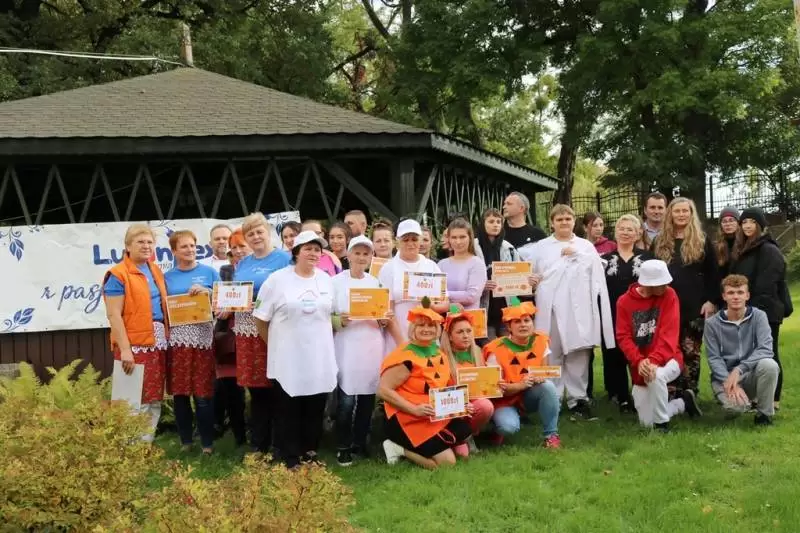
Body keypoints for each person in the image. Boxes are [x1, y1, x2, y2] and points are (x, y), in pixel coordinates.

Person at [253, 230, 339, 468]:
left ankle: (309, 452)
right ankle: (289, 456)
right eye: (308, 249)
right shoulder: (277, 280)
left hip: (318, 357)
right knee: (288, 407)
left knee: (315, 406)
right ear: (296, 252)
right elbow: (260, 318)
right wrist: (275, 345)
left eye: (317, 250)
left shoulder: (326, 280)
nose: (313, 253)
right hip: (288, 358)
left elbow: (332, 314)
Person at [527, 204, 615, 420]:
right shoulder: (541, 247)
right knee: (552, 352)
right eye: (559, 219)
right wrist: (532, 281)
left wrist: (577, 255)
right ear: (552, 223)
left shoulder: (585, 246)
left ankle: (578, 399)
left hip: (579, 308)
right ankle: (553, 397)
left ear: (574, 221)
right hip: (551, 307)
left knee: (578, 354)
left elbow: (598, 268)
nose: (564, 222)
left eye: (568, 218)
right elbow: (532, 274)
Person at [378, 300, 473, 469]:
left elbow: (447, 388)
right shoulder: (404, 357)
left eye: (431, 325)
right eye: (421, 325)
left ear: (437, 329)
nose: (426, 329)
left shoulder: (439, 353)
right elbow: (383, 391)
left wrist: (462, 405)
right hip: (406, 418)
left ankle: (438, 445)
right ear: (413, 328)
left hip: (432, 414)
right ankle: (397, 448)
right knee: (447, 464)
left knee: (464, 435)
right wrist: (414, 409)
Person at [331, 236, 400, 466]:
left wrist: (383, 319)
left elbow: (383, 317)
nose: (361, 258)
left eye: (366, 254)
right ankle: (343, 446)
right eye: (357, 253)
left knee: (367, 398)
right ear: (348, 255)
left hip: (371, 346)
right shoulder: (335, 282)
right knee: (346, 400)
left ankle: (360, 443)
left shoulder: (376, 284)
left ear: (371, 257)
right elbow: (326, 315)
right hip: (346, 346)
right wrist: (339, 320)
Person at [615, 260, 701, 432]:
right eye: (661, 283)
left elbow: (669, 335)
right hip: (641, 365)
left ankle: (662, 425)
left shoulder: (670, 295)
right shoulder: (624, 302)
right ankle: (682, 403)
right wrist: (639, 361)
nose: (666, 285)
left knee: (656, 376)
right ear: (648, 284)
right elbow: (623, 337)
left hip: (670, 358)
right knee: (646, 422)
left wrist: (653, 361)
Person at [102, 224, 169, 442]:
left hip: (157, 341)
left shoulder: (154, 270)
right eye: (140, 242)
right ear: (128, 246)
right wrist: (125, 350)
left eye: (150, 242)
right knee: (130, 399)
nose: (146, 246)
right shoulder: (117, 274)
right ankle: (128, 449)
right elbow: (114, 315)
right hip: (133, 344)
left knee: (153, 398)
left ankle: (144, 445)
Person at [233, 213, 292, 453]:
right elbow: (234, 292)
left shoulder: (284, 259)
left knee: (277, 387)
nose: (255, 237)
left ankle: (280, 444)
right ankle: (259, 445)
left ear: (268, 233)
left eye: (259, 232)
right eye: (250, 234)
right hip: (246, 332)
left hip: (273, 329)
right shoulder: (243, 263)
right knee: (256, 390)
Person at [652, 197, 718, 396]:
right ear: (670, 214)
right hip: (665, 306)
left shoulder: (702, 240)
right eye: (677, 211)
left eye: (685, 211)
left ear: (691, 214)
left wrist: (711, 301)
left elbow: (713, 274)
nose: (681, 214)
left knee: (691, 351)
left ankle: (689, 393)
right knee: (668, 349)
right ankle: (670, 392)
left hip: (694, 306)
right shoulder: (659, 241)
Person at [164, 230, 220, 454]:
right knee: (180, 394)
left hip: (203, 340)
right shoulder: (167, 277)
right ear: (174, 251)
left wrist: (208, 292)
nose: (190, 250)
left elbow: (223, 301)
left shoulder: (209, 272)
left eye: (192, 246)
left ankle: (207, 444)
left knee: (203, 394)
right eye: (184, 246)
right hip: (177, 342)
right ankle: (186, 442)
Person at [729, 207, 788, 409]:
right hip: (750, 309)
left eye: (752, 222)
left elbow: (767, 283)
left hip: (766, 311)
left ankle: (773, 399)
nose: (747, 226)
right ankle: (756, 397)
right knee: (753, 354)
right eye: (744, 222)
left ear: (760, 225)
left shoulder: (768, 249)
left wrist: (754, 311)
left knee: (769, 353)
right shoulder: (745, 248)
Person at [482, 298, 561, 448]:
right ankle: (494, 427)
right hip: (503, 400)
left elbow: (544, 371)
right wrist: (521, 385)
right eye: (517, 322)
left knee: (548, 387)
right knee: (508, 427)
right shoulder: (495, 349)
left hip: (528, 396)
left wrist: (540, 377)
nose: (523, 325)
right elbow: (497, 390)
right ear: (509, 327)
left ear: (532, 323)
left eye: (526, 320)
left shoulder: (541, 340)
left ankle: (551, 435)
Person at [704, 275, 779, 425]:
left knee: (770, 365)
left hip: (749, 373)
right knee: (736, 409)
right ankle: (734, 402)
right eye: (731, 293)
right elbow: (714, 358)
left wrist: (739, 370)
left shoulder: (759, 316)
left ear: (747, 295)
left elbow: (765, 349)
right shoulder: (712, 324)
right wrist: (728, 379)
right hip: (724, 377)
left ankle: (764, 415)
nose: (736, 297)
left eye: (740, 292)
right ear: (724, 296)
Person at [600, 214, 653, 412]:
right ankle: (620, 395)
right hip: (611, 313)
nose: (625, 232)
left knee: (639, 351)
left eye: (630, 229)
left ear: (638, 233)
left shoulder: (648, 258)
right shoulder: (604, 260)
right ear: (615, 232)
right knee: (613, 354)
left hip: (641, 314)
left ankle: (643, 391)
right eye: (621, 229)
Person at [378, 219, 449, 351]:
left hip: (428, 336)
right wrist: (402, 343)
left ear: (420, 240)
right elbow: (387, 311)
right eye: (406, 240)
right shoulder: (388, 268)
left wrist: (432, 306)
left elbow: (445, 303)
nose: (410, 243)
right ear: (397, 241)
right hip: (398, 339)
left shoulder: (431, 266)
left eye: (414, 239)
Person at [439, 306, 495, 455]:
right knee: (462, 455)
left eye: (469, 331)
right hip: (451, 407)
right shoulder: (441, 357)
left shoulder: (477, 352)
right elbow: (439, 392)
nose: (466, 336)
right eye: (460, 332)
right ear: (450, 336)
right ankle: (458, 436)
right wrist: (461, 404)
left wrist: (495, 384)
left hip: (473, 404)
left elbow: (484, 384)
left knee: (485, 406)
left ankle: (468, 435)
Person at [213, 228, 248, 447]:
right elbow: (218, 303)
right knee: (232, 388)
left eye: (242, 246)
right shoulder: (226, 271)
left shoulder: (263, 271)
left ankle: (264, 433)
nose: (238, 251)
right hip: (229, 338)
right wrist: (221, 310)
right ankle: (239, 436)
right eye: (234, 247)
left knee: (261, 387)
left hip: (255, 334)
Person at [474, 208, 522, 340]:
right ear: (483, 224)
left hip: (505, 308)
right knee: (489, 347)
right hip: (483, 308)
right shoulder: (473, 247)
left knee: (509, 346)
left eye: (498, 222)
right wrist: (481, 285)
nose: (495, 225)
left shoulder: (509, 248)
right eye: (491, 221)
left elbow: (519, 276)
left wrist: (527, 281)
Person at [437, 218, 487, 310]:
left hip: (469, 317)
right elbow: (433, 294)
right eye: (454, 237)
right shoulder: (441, 264)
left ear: (470, 238)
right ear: (449, 239)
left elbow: (471, 296)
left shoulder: (477, 264)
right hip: (444, 316)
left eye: (462, 237)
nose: (458, 242)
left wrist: (443, 294)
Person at [502, 191, 547, 258]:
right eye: (504, 204)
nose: (504, 207)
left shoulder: (538, 235)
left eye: (509, 204)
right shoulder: (498, 233)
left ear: (521, 208)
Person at [715, 206, 740, 278]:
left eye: (731, 220)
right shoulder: (715, 247)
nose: (728, 224)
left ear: (738, 223)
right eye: (724, 221)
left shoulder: (745, 244)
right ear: (721, 225)